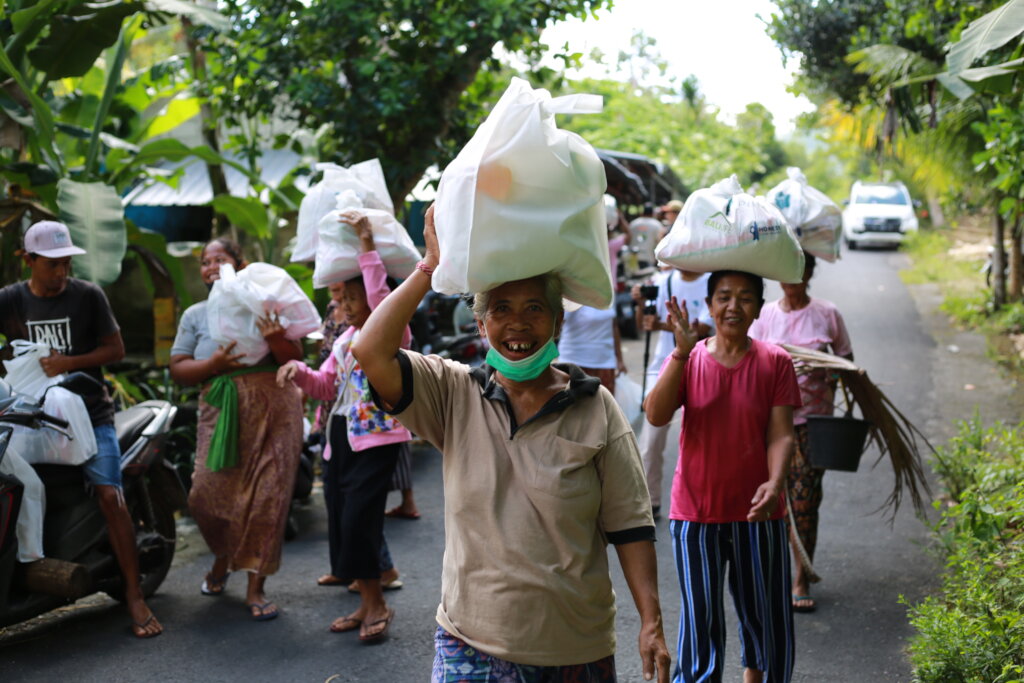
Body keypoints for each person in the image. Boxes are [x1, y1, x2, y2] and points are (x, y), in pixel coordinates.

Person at [353, 205, 671, 682]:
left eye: (534, 309)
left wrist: (651, 622)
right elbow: (369, 351)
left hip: (573, 647)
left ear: (558, 323)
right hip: (470, 643)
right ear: (481, 326)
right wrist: (428, 267)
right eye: (500, 309)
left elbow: (629, 524)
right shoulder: (453, 392)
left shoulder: (595, 407)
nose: (517, 324)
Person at [0, 220, 162, 638]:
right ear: (29, 260)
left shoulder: (87, 296)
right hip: (29, 417)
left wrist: (66, 363)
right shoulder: (11, 300)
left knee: (110, 494)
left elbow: (115, 349)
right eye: (52, 264)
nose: (61, 272)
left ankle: (134, 595)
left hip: (90, 415)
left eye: (66, 263)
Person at [644, 270, 801, 683]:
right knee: (701, 623)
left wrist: (776, 481)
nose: (734, 306)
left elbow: (782, 434)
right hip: (695, 513)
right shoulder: (688, 359)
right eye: (724, 297)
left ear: (758, 309)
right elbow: (656, 415)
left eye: (745, 298)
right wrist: (679, 353)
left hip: (759, 513)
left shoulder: (775, 362)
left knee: (765, 616)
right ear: (710, 305)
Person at [277, 210, 410, 642]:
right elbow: (324, 386)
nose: (346, 307)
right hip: (340, 438)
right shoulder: (341, 341)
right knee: (342, 520)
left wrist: (367, 244)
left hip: (376, 439)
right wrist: (297, 370)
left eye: (353, 300)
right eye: (342, 301)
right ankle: (367, 601)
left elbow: (380, 293)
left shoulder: (388, 333)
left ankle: (378, 606)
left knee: (359, 521)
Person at [169, 238, 304, 622]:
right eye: (204, 261)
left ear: (239, 265)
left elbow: (295, 360)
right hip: (220, 405)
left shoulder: (265, 303)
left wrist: (276, 336)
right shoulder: (195, 315)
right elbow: (178, 369)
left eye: (220, 259)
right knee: (205, 495)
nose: (211, 266)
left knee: (269, 498)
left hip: (275, 406)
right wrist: (213, 362)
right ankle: (223, 557)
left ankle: (255, 587)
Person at [749, 253, 853, 613]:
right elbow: (750, 363)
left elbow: (846, 361)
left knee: (806, 502)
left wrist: (827, 374)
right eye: (788, 272)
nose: (794, 279)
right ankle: (771, 571)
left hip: (814, 423)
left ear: (810, 274)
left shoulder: (827, 314)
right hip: (771, 425)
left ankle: (800, 575)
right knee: (771, 499)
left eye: (801, 271)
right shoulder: (763, 317)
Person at [630, 268, 713, 517]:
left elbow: (703, 329)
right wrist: (641, 303)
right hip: (663, 369)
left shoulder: (712, 282)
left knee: (705, 440)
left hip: (703, 367)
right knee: (651, 441)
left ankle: (705, 500)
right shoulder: (663, 281)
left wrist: (661, 325)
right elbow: (643, 324)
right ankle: (650, 501)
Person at [557, 304, 626, 394]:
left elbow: (614, 326)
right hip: (575, 363)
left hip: (605, 362)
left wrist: (620, 360)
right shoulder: (573, 294)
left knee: (605, 405)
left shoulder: (609, 292)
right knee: (577, 406)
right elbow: (557, 323)